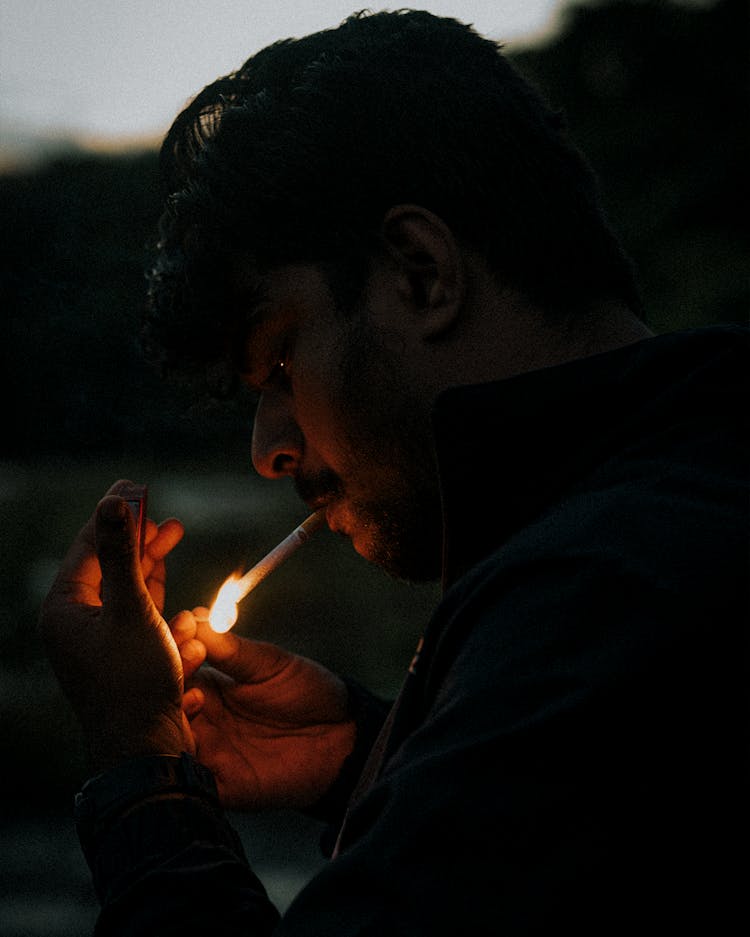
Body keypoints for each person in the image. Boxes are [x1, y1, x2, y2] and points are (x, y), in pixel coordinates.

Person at [39, 9, 748, 936]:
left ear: (420, 271)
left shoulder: (609, 588)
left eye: (284, 362)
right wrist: (374, 756)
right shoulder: (679, 494)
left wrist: (140, 777)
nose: (269, 451)